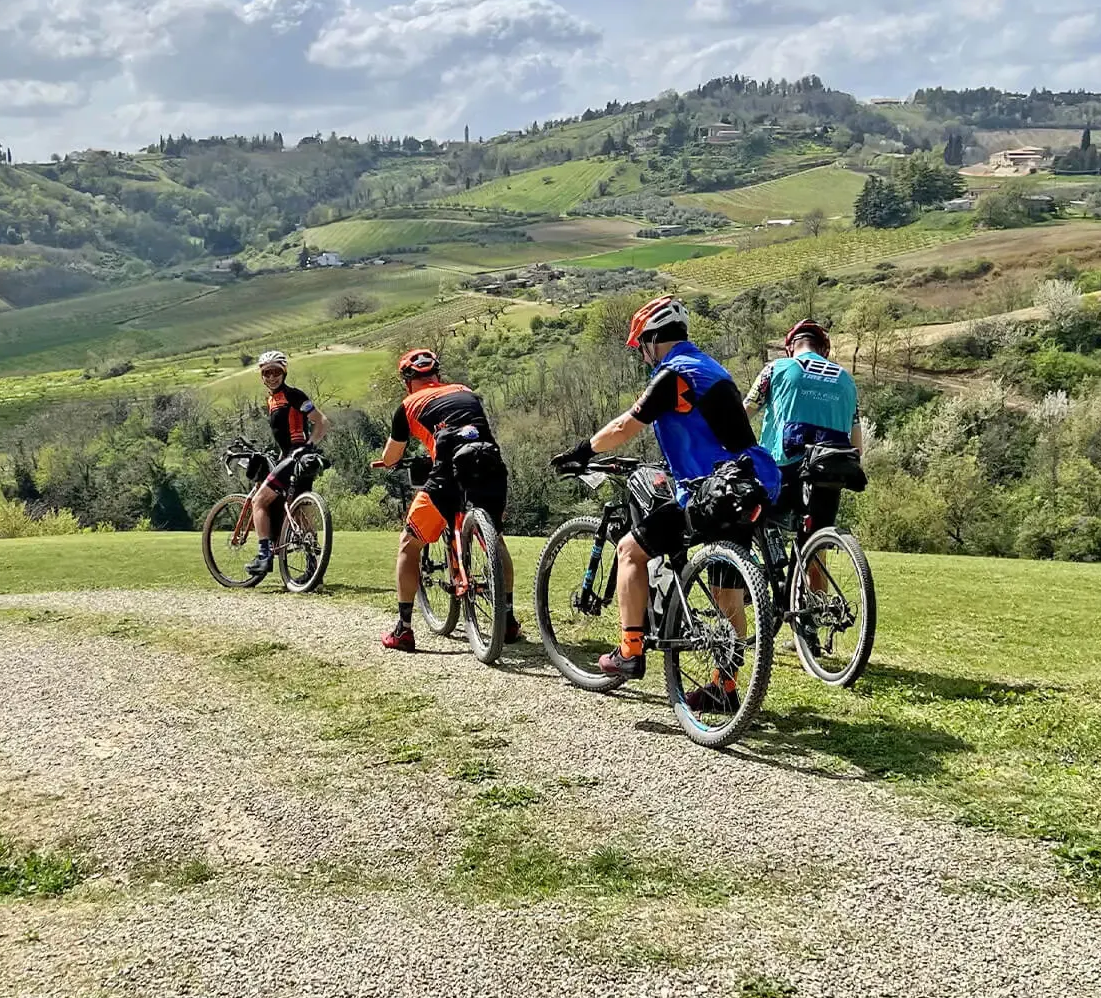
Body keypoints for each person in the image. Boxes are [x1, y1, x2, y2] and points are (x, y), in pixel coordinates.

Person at [552, 296, 781, 712]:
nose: (642, 354)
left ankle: (629, 650)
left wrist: (582, 451)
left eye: (642, 345)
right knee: (726, 592)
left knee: (629, 551)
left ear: (654, 340)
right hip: (752, 483)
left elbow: (626, 425)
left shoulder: (674, 374)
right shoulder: (710, 369)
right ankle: (724, 686)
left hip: (713, 489)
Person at [370, 348, 516, 653]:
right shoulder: (466, 391)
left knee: (409, 543)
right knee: (495, 541)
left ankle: (403, 629)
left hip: (447, 470)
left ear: (408, 382)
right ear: (437, 374)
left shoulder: (408, 405)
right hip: (489, 463)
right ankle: (508, 620)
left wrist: (386, 462)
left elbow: (392, 455)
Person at [744, 320, 863, 541]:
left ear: (790, 348)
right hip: (831, 470)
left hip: (783, 468)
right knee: (816, 541)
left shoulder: (775, 369)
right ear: (824, 350)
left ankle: (760, 573)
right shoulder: (847, 380)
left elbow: (742, 417)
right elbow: (858, 447)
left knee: (746, 516)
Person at [245, 350, 328, 577]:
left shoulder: (293, 395)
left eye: (276, 372)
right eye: (267, 373)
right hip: (293, 458)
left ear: (284, 372)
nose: (271, 377)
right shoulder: (271, 400)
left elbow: (321, 422)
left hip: (295, 457)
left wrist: (308, 445)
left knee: (259, 501)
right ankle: (313, 569)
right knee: (299, 512)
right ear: (261, 376)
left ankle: (264, 556)